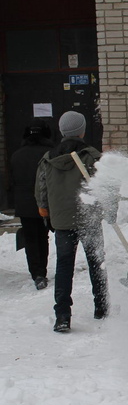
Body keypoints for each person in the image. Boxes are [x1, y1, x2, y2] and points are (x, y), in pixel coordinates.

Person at [34, 111, 111, 333]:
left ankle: (62, 316)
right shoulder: (92, 156)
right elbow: (107, 185)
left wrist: (45, 211)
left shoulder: (48, 158)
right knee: (96, 263)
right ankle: (101, 307)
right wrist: (109, 208)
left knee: (64, 266)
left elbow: (42, 187)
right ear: (82, 131)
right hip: (89, 219)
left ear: (61, 131)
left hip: (62, 220)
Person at [10, 118, 54, 290]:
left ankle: (36, 272)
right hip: (45, 202)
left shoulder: (17, 155)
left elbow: (13, 180)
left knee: (30, 238)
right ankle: (42, 269)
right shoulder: (50, 153)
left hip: (24, 203)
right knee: (43, 236)